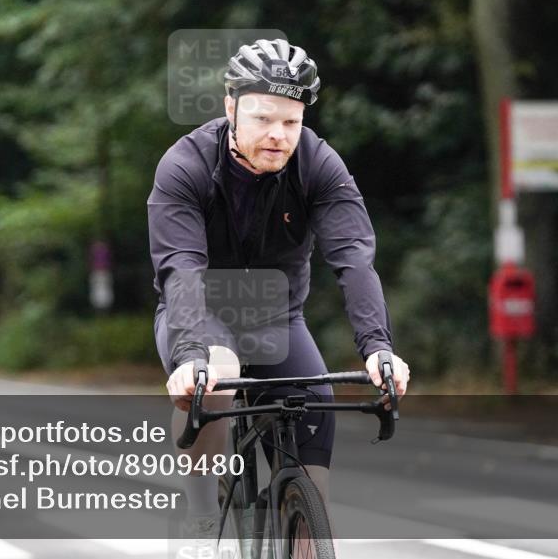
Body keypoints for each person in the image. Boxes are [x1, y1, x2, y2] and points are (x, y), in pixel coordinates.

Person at [148, 39, 411, 556]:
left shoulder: (318, 165)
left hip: (276, 318)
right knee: (214, 377)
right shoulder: (186, 165)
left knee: (314, 480)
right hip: (200, 314)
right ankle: (201, 524)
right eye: (264, 118)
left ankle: (296, 524)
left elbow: (354, 259)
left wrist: (378, 348)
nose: (278, 135)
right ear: (230, 107)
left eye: (291, 123)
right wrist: (189, 358)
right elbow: (180, 270)